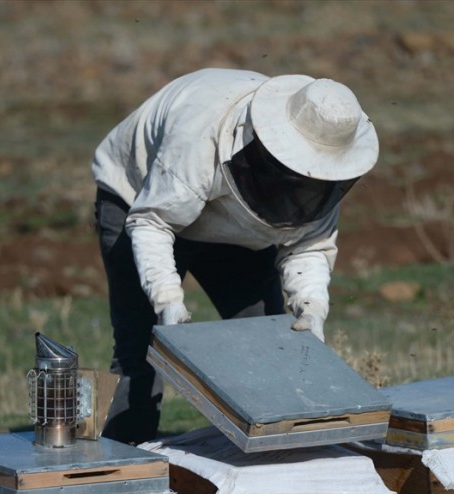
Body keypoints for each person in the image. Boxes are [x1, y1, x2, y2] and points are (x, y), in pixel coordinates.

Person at [91, 67, 379, 445]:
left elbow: (308, 246)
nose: (306, 186)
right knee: (139, 351)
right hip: (140, 199)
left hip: (235, 233)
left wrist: (311, 309)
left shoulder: (322, 178)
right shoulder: (200, 133)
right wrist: (168, 300)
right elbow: (153, 223)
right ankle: (126, 474)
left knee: (271, 345)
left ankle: (278, 463)